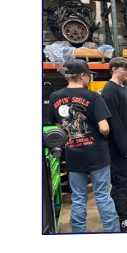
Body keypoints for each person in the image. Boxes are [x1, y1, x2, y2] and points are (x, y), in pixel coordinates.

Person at [47, 59, 119, 233]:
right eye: (88, 76)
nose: (89, 79)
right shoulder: (93, 96)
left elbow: (58, 128)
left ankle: (79, 235)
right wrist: (102, 133)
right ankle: (112, 233)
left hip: (74, 154)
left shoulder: (55, 97)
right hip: (97, 154)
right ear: (81, 75)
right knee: (102, 195)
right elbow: (104, 128)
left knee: (78, 198)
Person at [100, 58, 127, 232]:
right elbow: (115, 124)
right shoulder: (109, 91)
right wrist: (125, 148)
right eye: (123, 69)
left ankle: (124, 209)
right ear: (113, 69)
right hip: (119, 149)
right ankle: (120, 218)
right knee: (121, 184)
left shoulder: (124, 88)